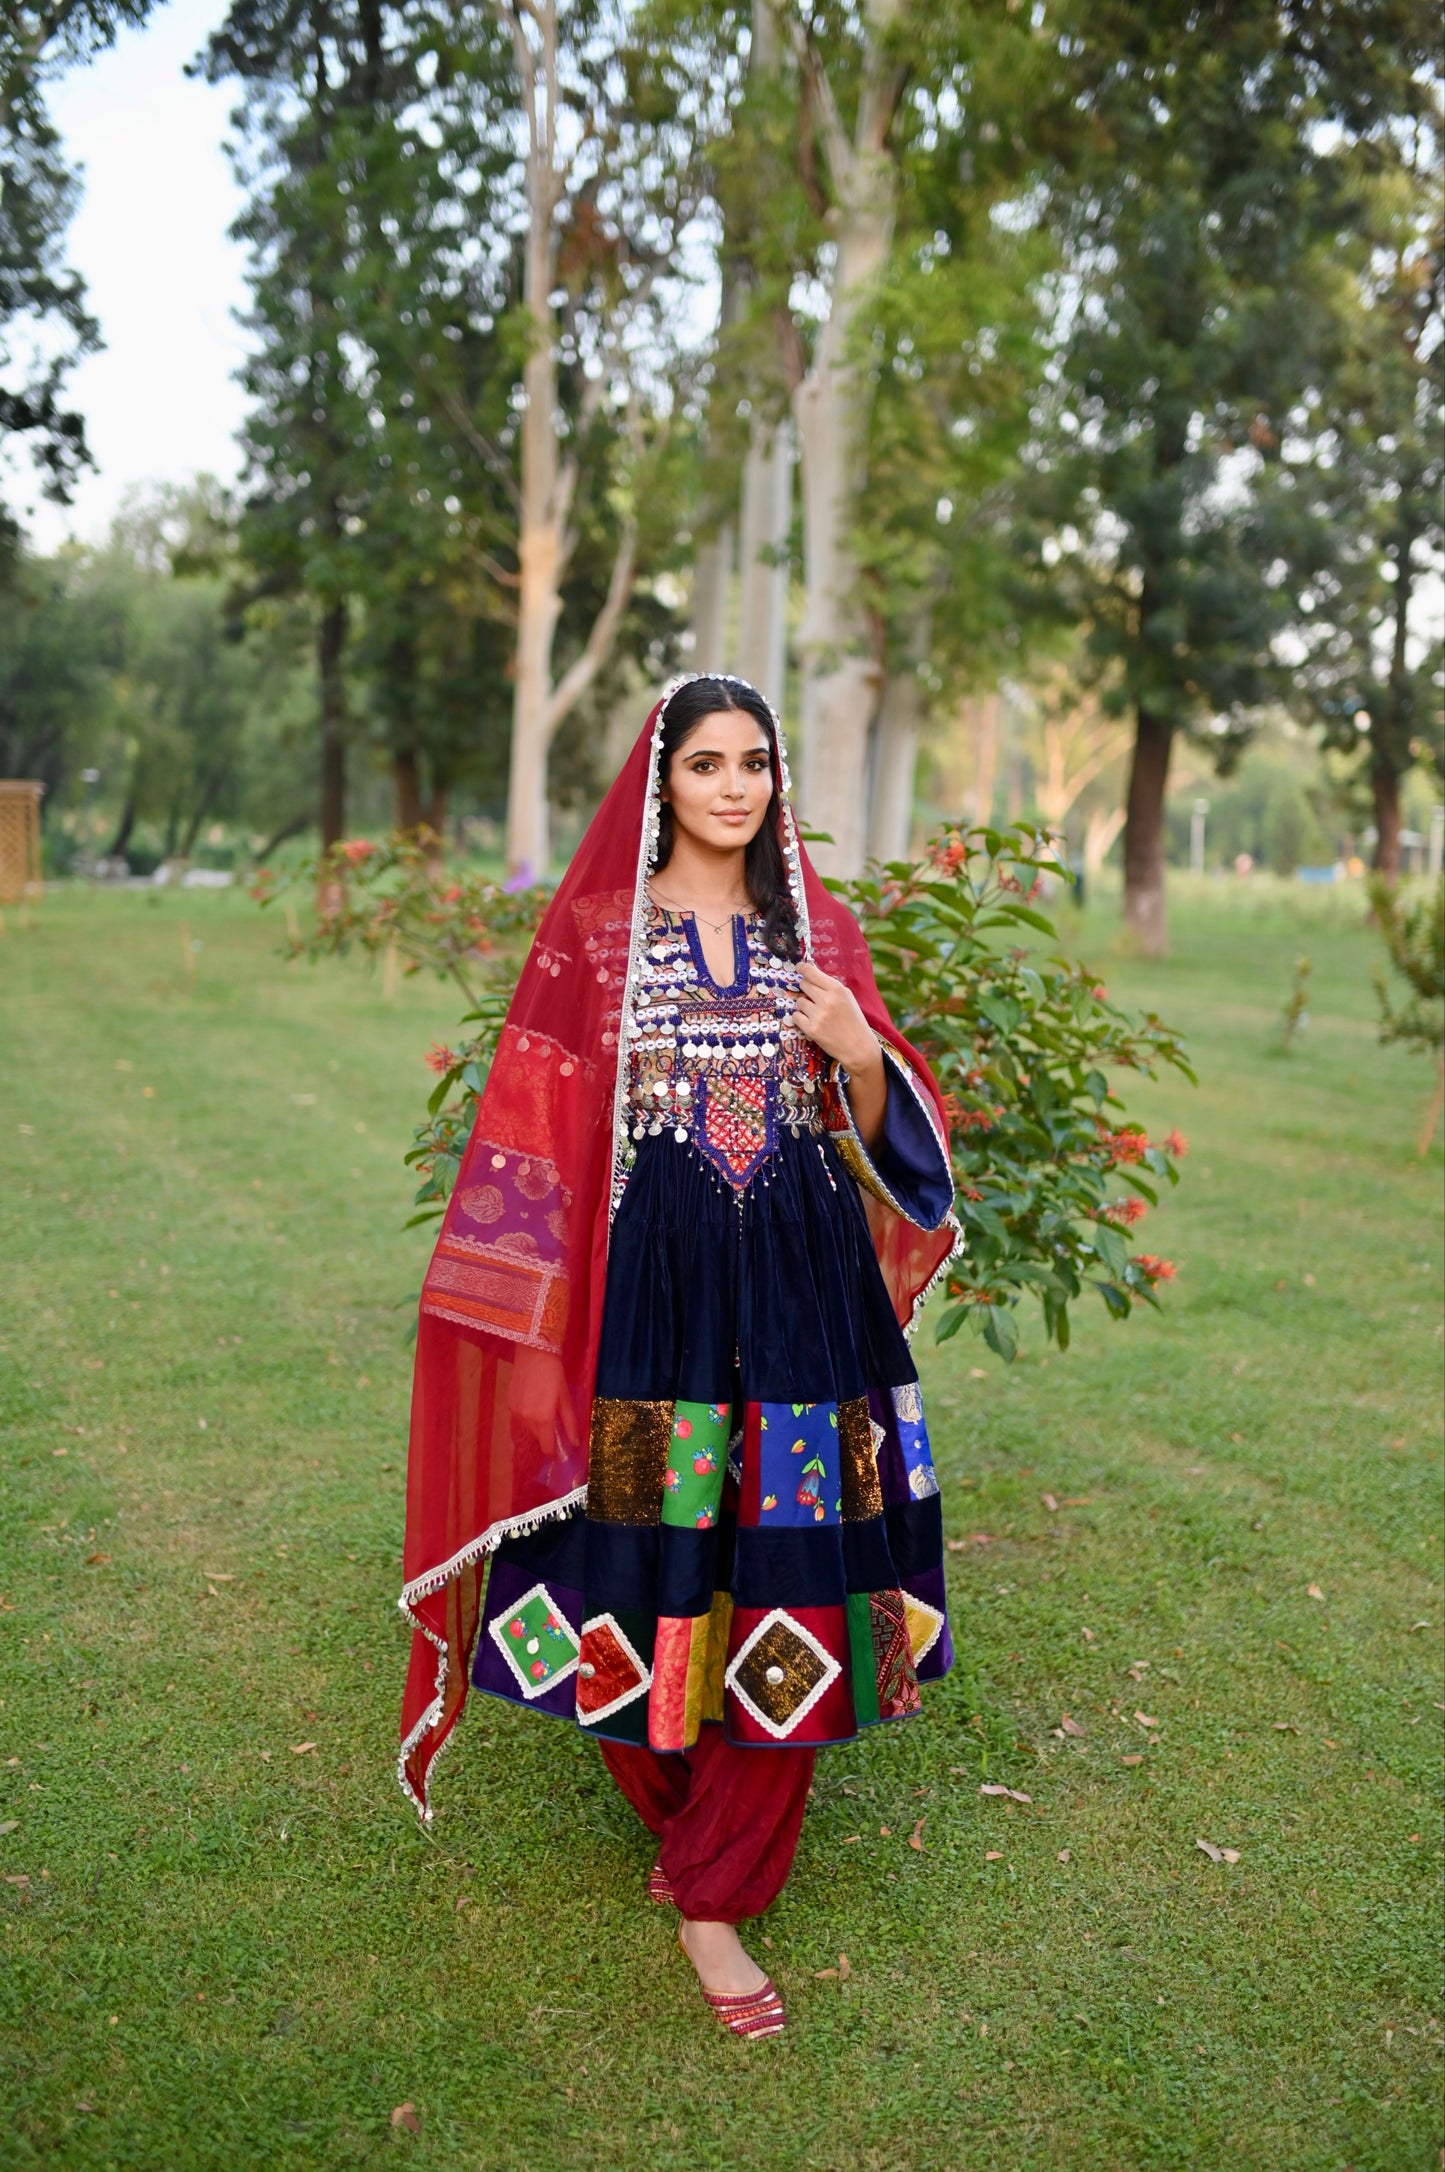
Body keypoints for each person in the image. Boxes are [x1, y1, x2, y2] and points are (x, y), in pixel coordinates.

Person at [398, 675, 958, 2037]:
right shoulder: (594, 937)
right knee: (628, 1552)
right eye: (704, 763)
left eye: (753, 762)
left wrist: (855, 1054)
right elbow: (530, 1143)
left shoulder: (816, 927)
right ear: (660, 781)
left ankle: (716, 1888)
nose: (732, 786)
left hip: (799, 1288)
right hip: (643, 1296)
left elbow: (879, 1119)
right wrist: (531, 1347)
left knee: (795, 1557)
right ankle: (675, 1808)